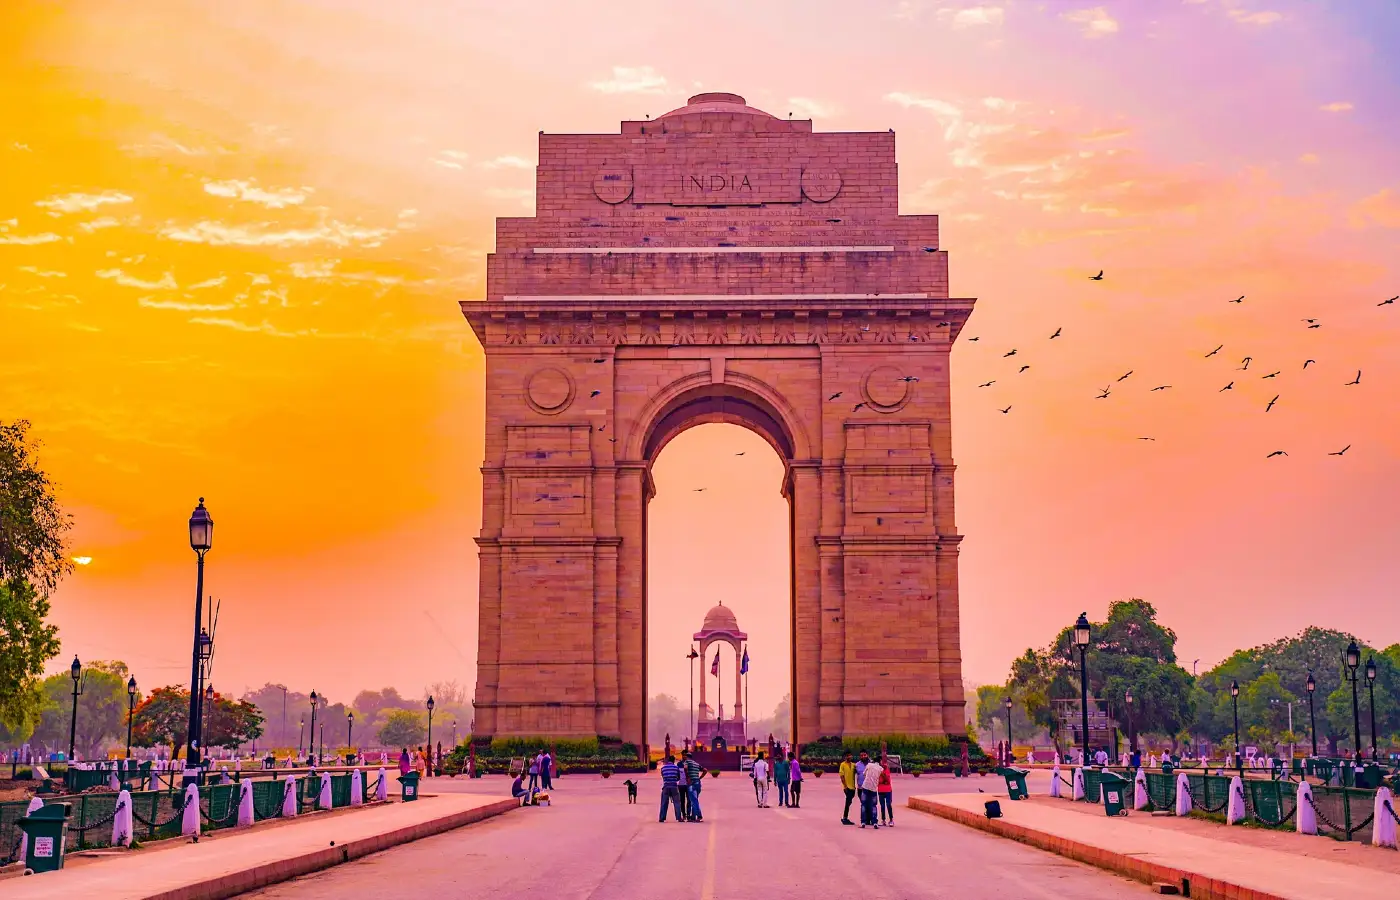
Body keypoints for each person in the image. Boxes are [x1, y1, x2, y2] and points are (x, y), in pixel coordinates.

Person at [682, 749, 706, 822]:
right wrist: (700, 778)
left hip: (691, 783)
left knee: (694, 800)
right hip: (698, 783)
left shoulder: (687, 761)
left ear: (687, 757)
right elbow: (705, 770)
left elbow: (685, 768)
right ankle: (693, 817)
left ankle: (699, 816)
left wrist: (687, 778)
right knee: (694, 800)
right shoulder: (696, 763)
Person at [860, 755, 883, 829]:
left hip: (865, 786)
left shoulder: (869, 765)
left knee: (863, 804)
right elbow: (882, 776)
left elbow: (864, 774)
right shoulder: (880, 768)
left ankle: (863, 822)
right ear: (879, 761)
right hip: (873, 788)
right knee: (874, 805)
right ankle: (875, 823)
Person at [659, 754, 683, 822]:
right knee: (677, 802)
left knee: (664, 803)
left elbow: (663, 776)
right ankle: (679, 818)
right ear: (674, 761)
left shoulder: (663, 768)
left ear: (668, 760)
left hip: (666, 786)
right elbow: (678, 777)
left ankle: (662, 818)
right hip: (674, 786)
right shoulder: (676, 768)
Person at [838, 751, 857, 825]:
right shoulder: (842, 765)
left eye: (850, 755)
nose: (849, 757)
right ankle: (845, 818)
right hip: (847, 787)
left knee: (849, 802)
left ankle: (845, 818)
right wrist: (845, 786)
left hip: (853, 787)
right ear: (845, 757)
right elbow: (842, 776)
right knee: (847, 802)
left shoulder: (853, 765)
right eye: (848, 756)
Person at [855, 751, 871, 824]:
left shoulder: (872, 764)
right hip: (861, 788)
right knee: (863, 804)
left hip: (870, 788)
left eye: (864, 755)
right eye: (861, 755)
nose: (863, 756)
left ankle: (869, 819)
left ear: (867, 755)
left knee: (870, 804)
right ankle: (864, 820)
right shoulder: (857, 765)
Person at [877, 758, 894, 826]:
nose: (883, 763)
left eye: (885, 762)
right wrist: (883, 781)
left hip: (888, 790)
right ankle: (883, 820)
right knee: (882, 806)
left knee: (888, 804)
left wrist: (882, 774)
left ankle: (891, 819)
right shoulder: (878, 769)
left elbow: (887, 781)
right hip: (880, 789)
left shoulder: (887, 769)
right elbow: (878, 781)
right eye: (882, 762)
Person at [676, 751, 690, 820]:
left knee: (689, 800)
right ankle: (683, 814)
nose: (684, 756)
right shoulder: (679, 764)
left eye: (685, 755)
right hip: (681, 785)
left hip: (688, 785)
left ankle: (688, 814)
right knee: (682, 800)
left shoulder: (690, 764)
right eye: (683, 755)